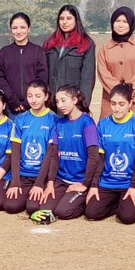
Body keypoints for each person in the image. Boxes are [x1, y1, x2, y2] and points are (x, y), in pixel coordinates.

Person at [85, 83, 135, 225]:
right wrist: (94, 185)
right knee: (91, 213)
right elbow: (100, 158)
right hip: (108, 181)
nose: (117, 108)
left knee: (127, 218)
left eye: (121, 104)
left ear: (130, 103)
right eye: (113, 104)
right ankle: (119, 203)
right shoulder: (102, 124)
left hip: (129, 182)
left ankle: (127, 204)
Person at [45, 85, 101, 220]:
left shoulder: (87, 122)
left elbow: (94, 157)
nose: (60, 105)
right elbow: (54, 156)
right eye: (57, 102)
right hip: (61, 180)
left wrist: (85, 184)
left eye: (63, 100)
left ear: (75, 100)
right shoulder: (59, 123)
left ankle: (83, 203)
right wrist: (51, 182)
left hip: (80, 181)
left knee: (63, 212)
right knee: (45, 209)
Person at [4, 81, 58, 214]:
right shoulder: (20, 119)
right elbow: (15, 152)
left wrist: (39, 183)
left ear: (46, 97)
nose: (33, 100)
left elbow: (50, 154)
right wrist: (15, 181)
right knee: (11, 207)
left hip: (42, 176)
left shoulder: (54, 120)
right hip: (23, 175)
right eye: (30, 96)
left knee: (32, 208)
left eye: (38, 96)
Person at [96, 6, 135, 122]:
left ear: (131, 23)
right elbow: (103, 73)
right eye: (117, 21)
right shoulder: (104, 49)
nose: (120, 25)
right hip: (112, 102)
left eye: (125, 22)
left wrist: (130, 90)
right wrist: (119, 93)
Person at [0, 13, 48, 115]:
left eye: (22, 27)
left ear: (28, 29)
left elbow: (42, 78)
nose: (18, 31)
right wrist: (12, 100)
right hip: (10, 108)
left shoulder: (38, 51)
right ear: (11, 30)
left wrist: (28, 102)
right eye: (15, 28)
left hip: (33, 106)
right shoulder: (4, 52)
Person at [43, 5, 95, 103]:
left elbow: (87, 79)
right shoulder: (49, 43)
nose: (65, 22)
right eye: (61, 19)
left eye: (69, 18)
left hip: (72, 101)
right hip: (51, 101)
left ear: (76, 20)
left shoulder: (86, 43)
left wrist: (82, 104)